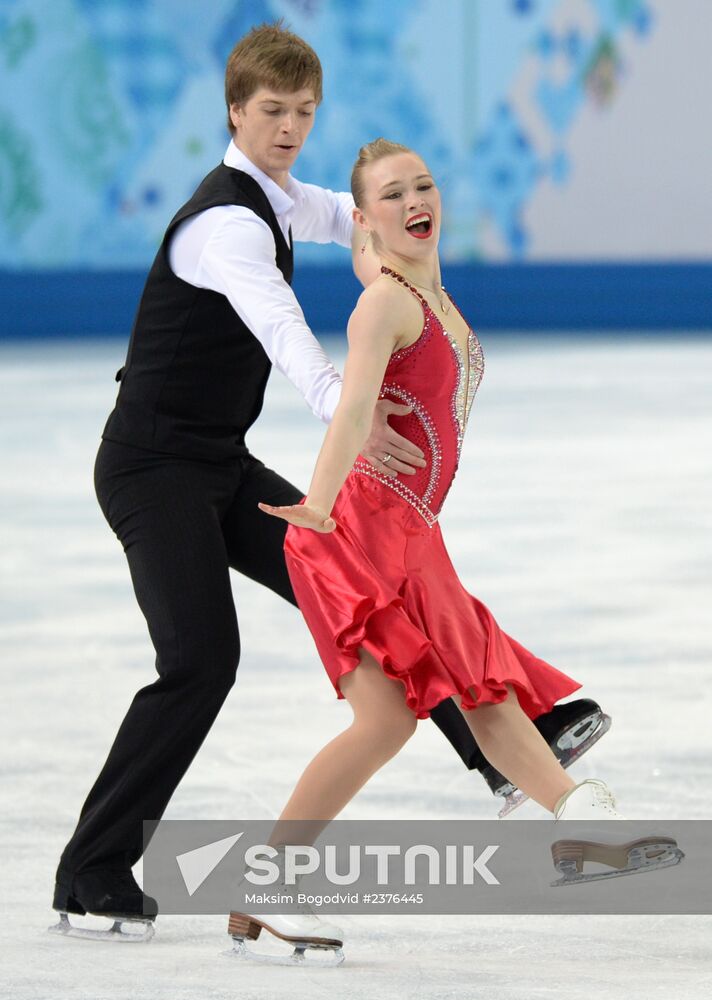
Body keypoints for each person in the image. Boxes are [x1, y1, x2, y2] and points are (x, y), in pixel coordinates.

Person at [51, 24, 606, 937]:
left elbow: (358, 217)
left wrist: (391, 229)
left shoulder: (276, 198)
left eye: (304, 112)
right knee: (200, 662)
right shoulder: (226, 223)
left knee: (369, 590)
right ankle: (92, 867)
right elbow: (279, 325)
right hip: (153, 470)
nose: (290, 127)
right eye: (273, 111)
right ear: (236, 111)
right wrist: (346, 403)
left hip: (219, 465)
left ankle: (503, 758)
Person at [234, 139, 626, 956]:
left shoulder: (424, 295)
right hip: (358, 530)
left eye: (424, 185)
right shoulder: (387, 302)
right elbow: (350, 410)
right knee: (386, 723)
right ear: (367, 220)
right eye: (390, 194)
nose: (416, 198)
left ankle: (574, 812)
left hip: (411, 532)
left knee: (480, 686)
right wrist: (314, 501)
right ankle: (270, 881)